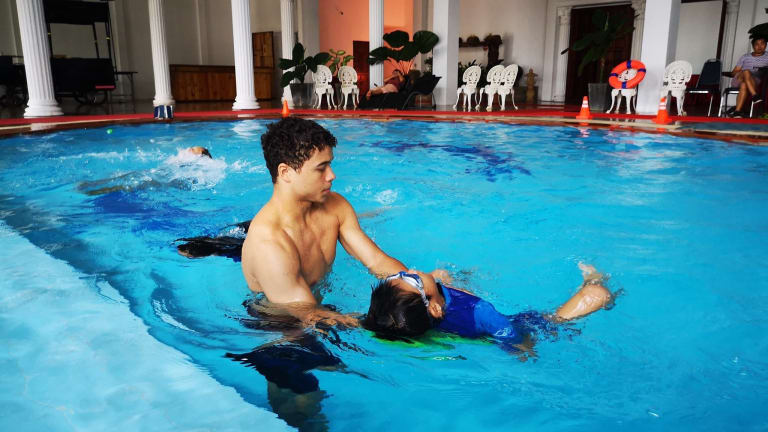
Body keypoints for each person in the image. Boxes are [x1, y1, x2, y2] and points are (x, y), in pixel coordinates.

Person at [241, 117, 407, 328]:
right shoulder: (269, 243)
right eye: (321, 168)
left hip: (317, 309)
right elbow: (307, 313)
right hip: (279, 323)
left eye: (330, 165)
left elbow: (376, 261)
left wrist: (415, 284)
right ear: (285, 172)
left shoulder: (335, 206)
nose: (332, 175)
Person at [361, 263, 613, 353]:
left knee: (440, 273)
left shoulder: (399, 319)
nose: (411, 270)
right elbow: (513, 338)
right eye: (413, 279)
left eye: (400, 274)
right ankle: (593, 283)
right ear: (435, 308)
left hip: (451, 315)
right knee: (595, 296)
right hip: (521, 325)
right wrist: (520, 348)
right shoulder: (481, 312)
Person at [728, 36, 768, 118]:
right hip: (739, 79)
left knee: (744, 84)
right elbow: (733, 72)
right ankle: (755, 96)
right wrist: (740, 72)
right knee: (746, 71)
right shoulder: (745, 56)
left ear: (766, 45)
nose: (759, 46)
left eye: (762, 44)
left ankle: (737, 112)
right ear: (753, 46)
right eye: (757, 44)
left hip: (755, 81)